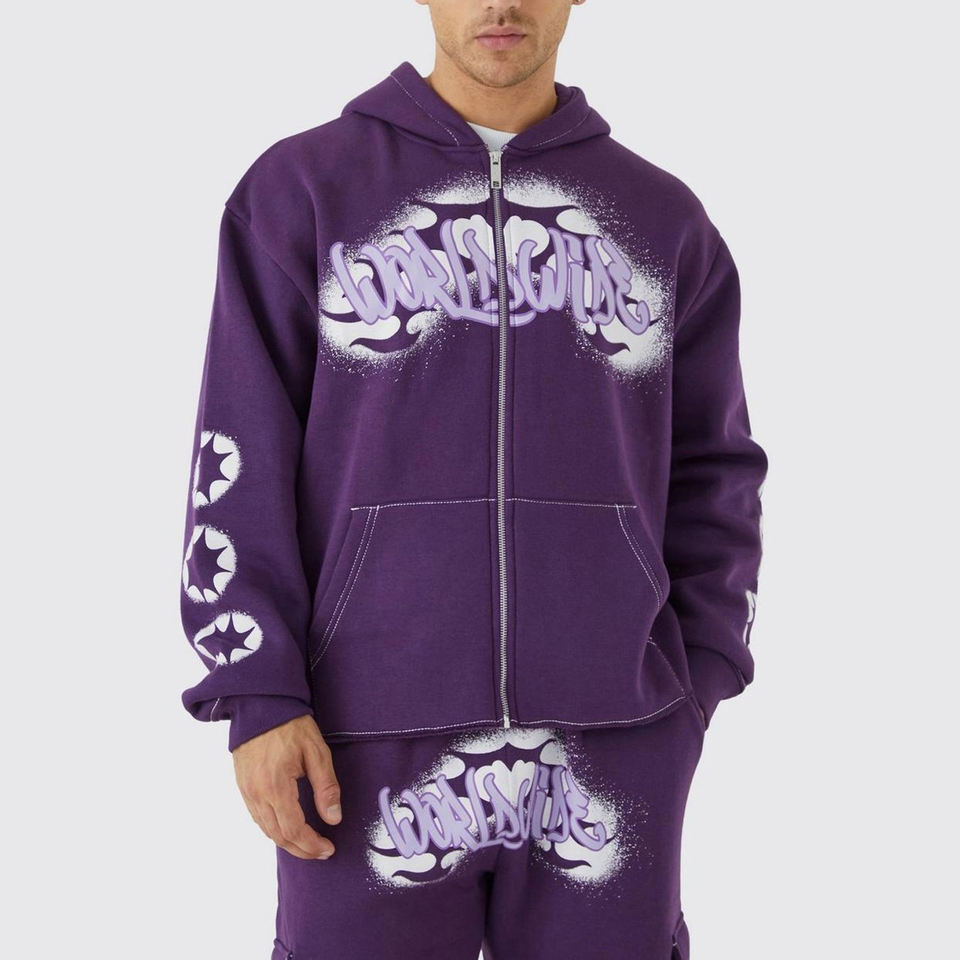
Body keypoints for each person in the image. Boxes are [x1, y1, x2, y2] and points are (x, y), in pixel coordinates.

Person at [177, 2, 768, 957]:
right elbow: (239, 451)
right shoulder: (303, 191)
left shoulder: (663, 220)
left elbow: (718, 470)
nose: (500, 3)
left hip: (610, 750)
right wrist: (259, 694)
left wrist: (693, 688)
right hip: (359, 743)